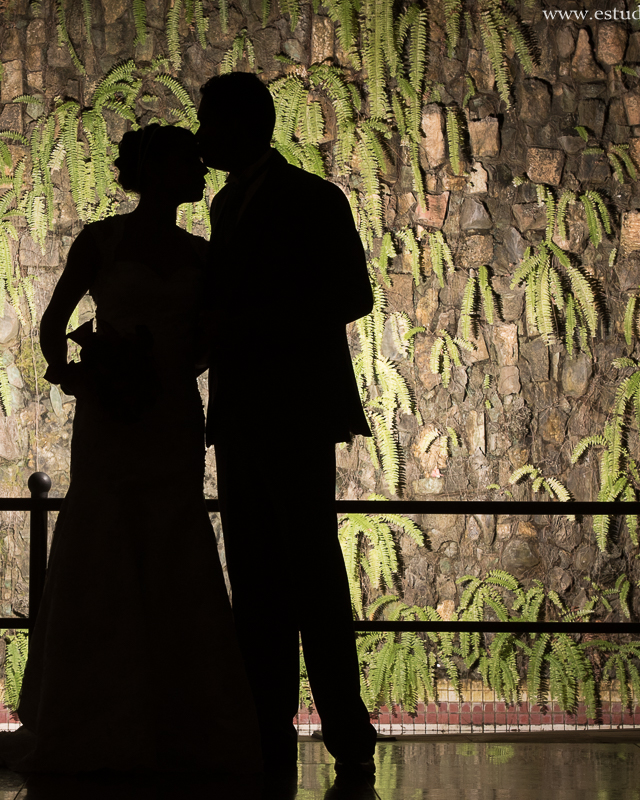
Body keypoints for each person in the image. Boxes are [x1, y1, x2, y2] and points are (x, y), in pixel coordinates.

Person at [0, 125, 260, 778]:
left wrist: (165, 375)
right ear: (155, 171)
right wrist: (77, 375)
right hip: (109, 418)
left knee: (172, 541)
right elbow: (53, 320)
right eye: (185, 161)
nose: (199, 169)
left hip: (169, 417)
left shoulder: (202, 257)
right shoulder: (103, 241)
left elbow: (208, 346)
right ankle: (94, 713)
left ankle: (177, 717)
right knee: (104, 540)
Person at [196, 72, 380, 782]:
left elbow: (352, 294)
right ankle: (269, 724)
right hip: (245, 414)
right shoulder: (226, 204)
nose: (202, 134)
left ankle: (346, 732)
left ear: (244, 125)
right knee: (258, 577)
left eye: (209, 120)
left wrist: (244, 327)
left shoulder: (312, 199)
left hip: (294, 412)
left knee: (310, 573)